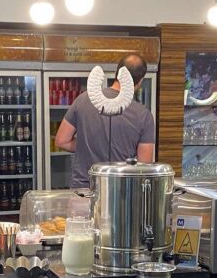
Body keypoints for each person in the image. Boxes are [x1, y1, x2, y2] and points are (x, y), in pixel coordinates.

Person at [54, 53, 156, 188]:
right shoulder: (144, 115)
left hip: (83, 188)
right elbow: (144, 166)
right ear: (141, 80)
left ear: (116, 73)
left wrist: (87, 145)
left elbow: (62, 140)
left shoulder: (82, 100)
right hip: (120, 191)